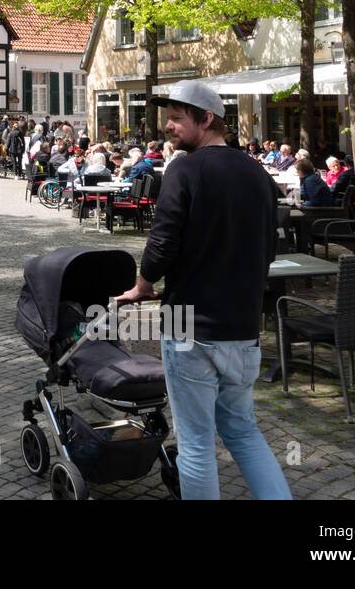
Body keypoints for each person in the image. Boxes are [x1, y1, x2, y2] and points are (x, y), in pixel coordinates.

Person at [116, 81, 290, 501]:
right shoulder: (258, 173)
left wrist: (143, 285)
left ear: (207, 119)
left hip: (188, 325)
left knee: (195, 442)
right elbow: (268, 246)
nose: (169, 128)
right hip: (243, 326)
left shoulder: (185, 169)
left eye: (177, 118)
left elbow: (163, 239)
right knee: (243, 431)